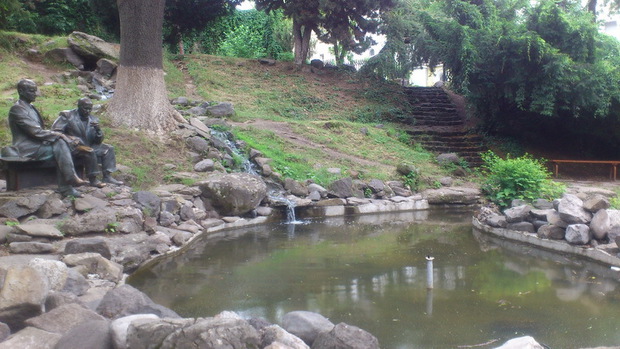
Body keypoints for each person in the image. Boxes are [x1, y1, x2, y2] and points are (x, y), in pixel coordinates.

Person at [7, 79, 87, 197]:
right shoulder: (17, 109)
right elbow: (35, 132)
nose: (35, 93)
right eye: (31, 91)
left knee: (61, 144)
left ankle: (69, 182)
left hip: (37, 144)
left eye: (35, 90)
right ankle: (68, 183)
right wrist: (60, 135)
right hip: (26, 147)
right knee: (60, 144)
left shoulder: (31, 107)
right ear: (21, 91)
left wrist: (61, 137)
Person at [52, 97, 123, 186]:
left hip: (89, 144)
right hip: (72, 147)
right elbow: (56, 131)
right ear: (79, 106)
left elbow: (98, 141)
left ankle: (107, 176)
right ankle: (93, 179)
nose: (88, 111)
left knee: (108, 148)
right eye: (85, 108)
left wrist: (98, 131)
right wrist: (70, 138)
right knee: (89, 151)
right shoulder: (67, 115)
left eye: (90, 109)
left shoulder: (94, 119)